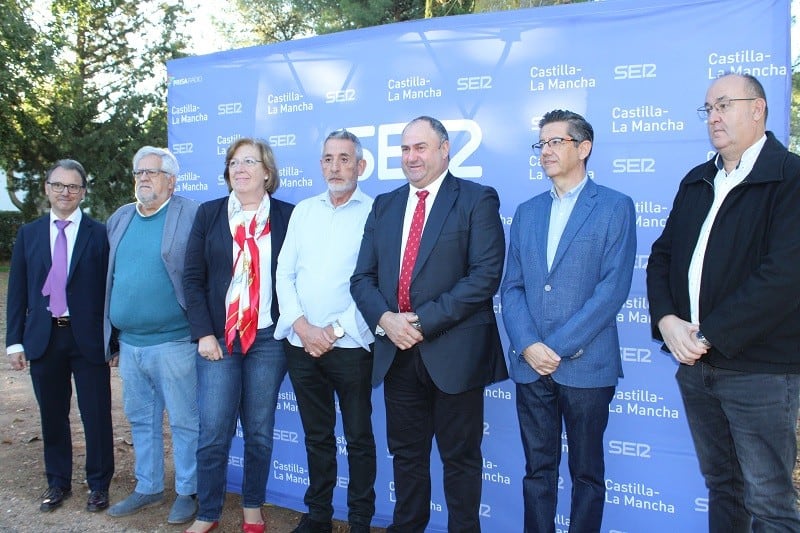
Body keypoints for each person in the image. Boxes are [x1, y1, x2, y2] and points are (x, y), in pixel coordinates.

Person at [646, 73, 800, 532]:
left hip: (761, 372)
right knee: (723, 488)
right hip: (696, 367)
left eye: (724, 105)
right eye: (708, 109)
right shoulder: (697, 180)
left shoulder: (790, 178)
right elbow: (662, 257)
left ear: (758, 109)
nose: (714, 117)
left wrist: (708, 334)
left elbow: (784, 278)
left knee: (770, 500)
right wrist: (667, 320)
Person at [350, 116, 508, 532]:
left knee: (460, 461)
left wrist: (419, 322)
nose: (411, 157)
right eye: (404, 149)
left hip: (455, 355)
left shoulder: (477, 199)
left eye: (420, 147)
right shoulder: (384, 205)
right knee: (407, 458)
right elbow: (361, 279)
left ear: (444, 150)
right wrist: (386, 320)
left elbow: (484, 277)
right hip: (396, 354)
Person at [500, 110, 637, 533]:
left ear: (583, 148)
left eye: (556, 142)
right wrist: (527, 344)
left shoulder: (615, 206)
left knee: (587, 475)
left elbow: (611, 291)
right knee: (537, 472)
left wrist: (554, 348)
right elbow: (513, 288)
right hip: (530, 365)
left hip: (586, 365)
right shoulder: (527, 212)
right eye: (541, 144)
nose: (546, 151)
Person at [183, 137, 294, 533]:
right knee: (213, 430)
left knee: (260, 431)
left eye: (250, 160)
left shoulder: (288, 217)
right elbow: (192, 279)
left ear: (268, 171)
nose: (240, 167)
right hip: (219, 339)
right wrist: (203, 334)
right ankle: (208, 512)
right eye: (233, 161)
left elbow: (298, 277)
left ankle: (251, 507)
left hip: (268, 340)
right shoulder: (209, 214)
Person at [275, 130, 376, 533]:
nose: (336, 167)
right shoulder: (303, 211)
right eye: (329, 159)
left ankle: (360, 521)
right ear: (321, 164)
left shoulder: (376, 213)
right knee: (317, 437)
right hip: (301, 345)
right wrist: (302, 325)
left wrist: (332, 331)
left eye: (345, 159)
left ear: (361, 166)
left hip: (350, 345)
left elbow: (375, 282)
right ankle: (318, 515)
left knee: (358, 439)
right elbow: (284, 274)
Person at [5, 159, 114, 513]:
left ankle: (98, 485)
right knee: (52, 416)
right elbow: (18, 291)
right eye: (58, 185)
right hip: (43, 338)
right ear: (46, 188)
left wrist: (113, 340)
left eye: (73, 186)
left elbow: (110, 291)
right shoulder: (30, 234)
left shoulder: (101, 235)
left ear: (83, 191)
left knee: (96, 415)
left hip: (88, 340)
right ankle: (57, 482)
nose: (65, 192)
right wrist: (14, 341)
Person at [104, 146, 200, 524]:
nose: (143, 178)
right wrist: (112, 338)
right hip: (130, 344)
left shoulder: (190, 214)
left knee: (183, 420)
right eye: (139, 172)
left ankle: (188, 491)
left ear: (171, 181)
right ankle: (148, 485)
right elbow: (111, 278)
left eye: (152, 172)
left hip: (175, 341)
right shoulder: (120, 218)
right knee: (140, 418)